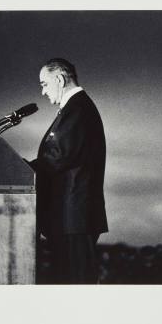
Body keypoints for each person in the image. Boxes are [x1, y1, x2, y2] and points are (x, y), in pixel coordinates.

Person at [30, 58, 108, 284]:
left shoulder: (78, 108)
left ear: (60, 79)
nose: (43, 92)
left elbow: (57, 156)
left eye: (44, 84)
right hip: (71, 218)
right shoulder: (77, 108)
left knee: (75, 284)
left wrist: (20, 169)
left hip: (74, 218)